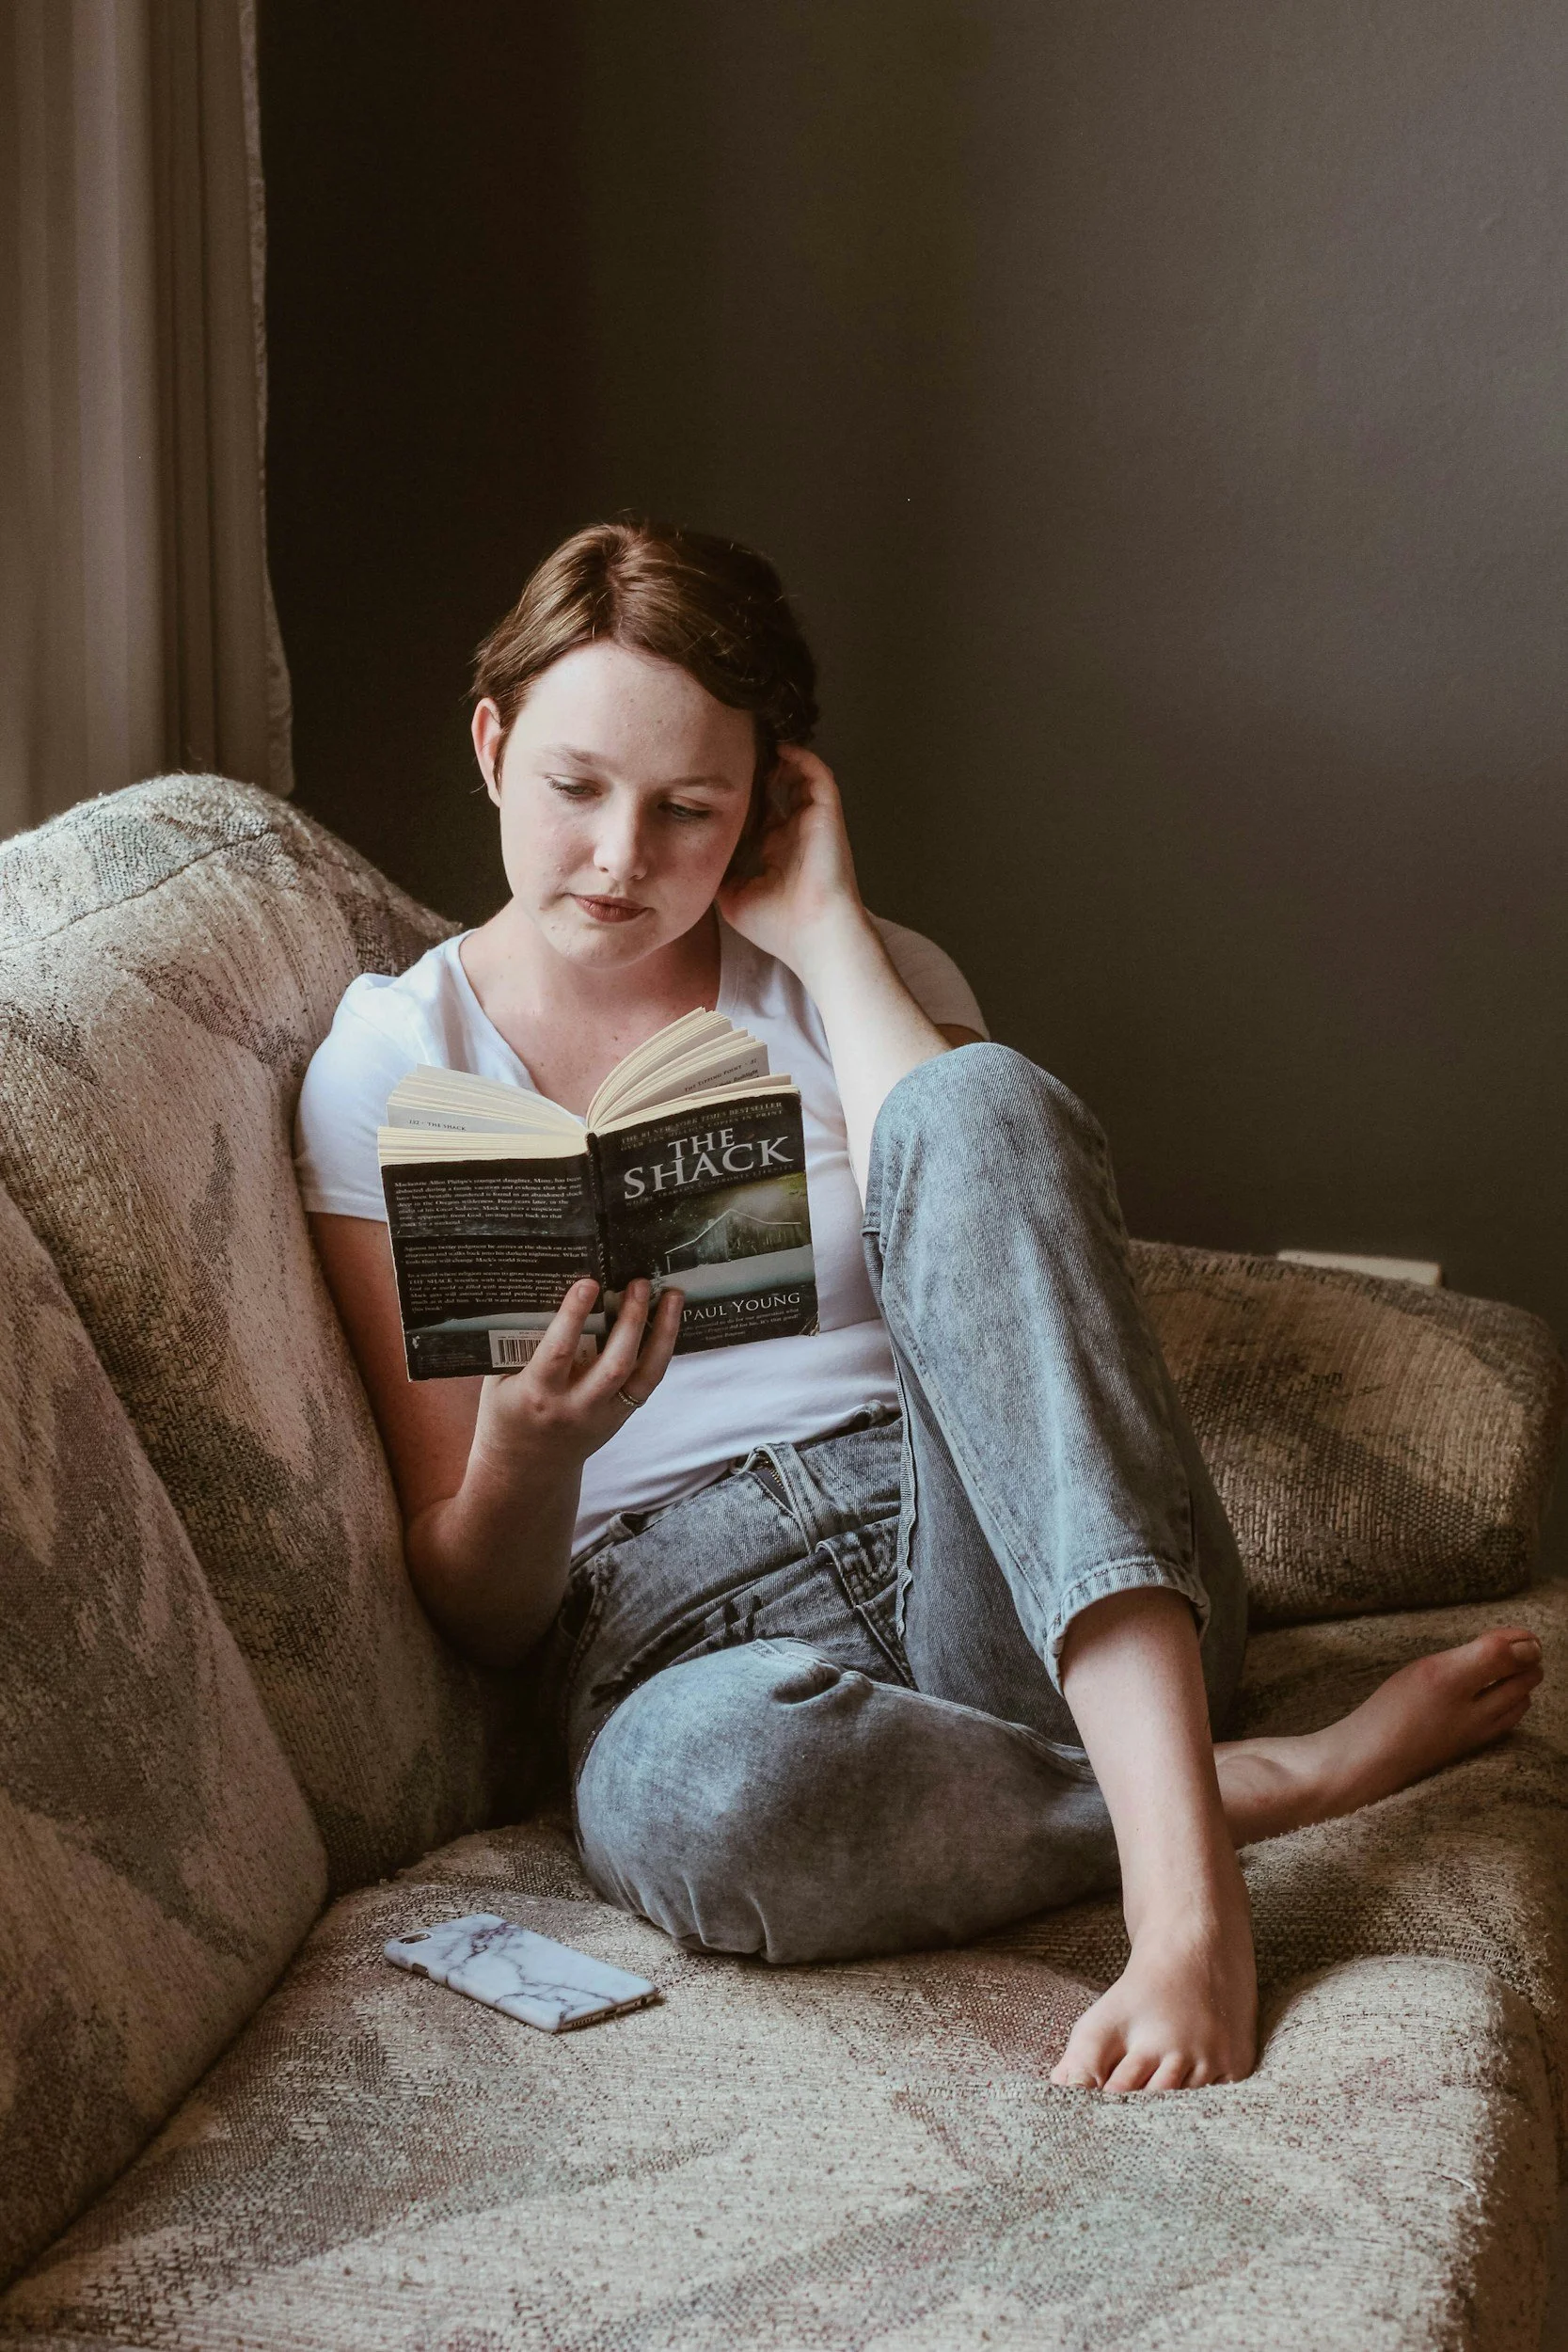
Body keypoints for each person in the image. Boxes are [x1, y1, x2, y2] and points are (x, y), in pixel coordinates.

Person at [296, 518, 1544, 2093]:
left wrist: (825, 936)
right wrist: (534, 1452)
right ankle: (1270, 1783)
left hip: (1007, 1552)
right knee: (693, 1803)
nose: (621, 858)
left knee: (973, 1101)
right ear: (491, 746)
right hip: (683, 1639)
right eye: (575, 789)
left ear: (772, 798)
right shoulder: (390, 1067)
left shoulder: (860, 969)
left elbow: (995, 1206)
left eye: (690, 807)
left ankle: (1181, 1906)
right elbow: (474, 1607)